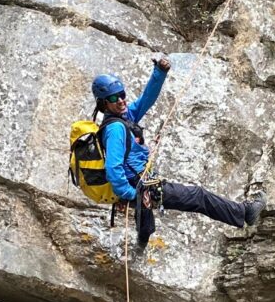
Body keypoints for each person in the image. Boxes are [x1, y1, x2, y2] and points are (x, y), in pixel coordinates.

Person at [91, 59, 266, 247]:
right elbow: (113, 168)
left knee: (145, 210)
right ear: (103, 104)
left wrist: (159, 72)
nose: (120, 100)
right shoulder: (115, 128)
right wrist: (130, 194)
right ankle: (245, 212)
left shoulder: (125, 117)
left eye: (121, 94)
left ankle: (142, 242)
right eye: (112, 98)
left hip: (142, 183)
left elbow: (146, 100)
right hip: (140, 185)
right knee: (198, 196)